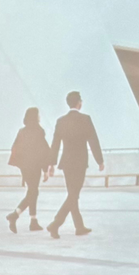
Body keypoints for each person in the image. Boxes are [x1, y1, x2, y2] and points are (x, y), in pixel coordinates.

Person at [46, 90, 104, 239]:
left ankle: (79, 226)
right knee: (74, 195)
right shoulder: (85, 119)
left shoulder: (61, 121)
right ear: (79, 103)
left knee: (72, 194)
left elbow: (55, 144)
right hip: (80, 162)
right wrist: (99, 160)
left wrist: (51, 164)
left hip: (66, 162)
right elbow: (93, 140)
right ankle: (56, 223)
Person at [5, 106, 52, 233]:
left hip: (25, 167)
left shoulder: (22, 132)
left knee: (32, 191)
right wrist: (45, 169)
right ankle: (15, 215)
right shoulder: (39, 131)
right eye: (38, 115)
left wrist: (21, 163)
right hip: (35, 166)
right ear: (35, 117)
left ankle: (33, 221)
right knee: (33, 192)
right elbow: (43, 151)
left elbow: (15, 147)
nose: (40, 117)